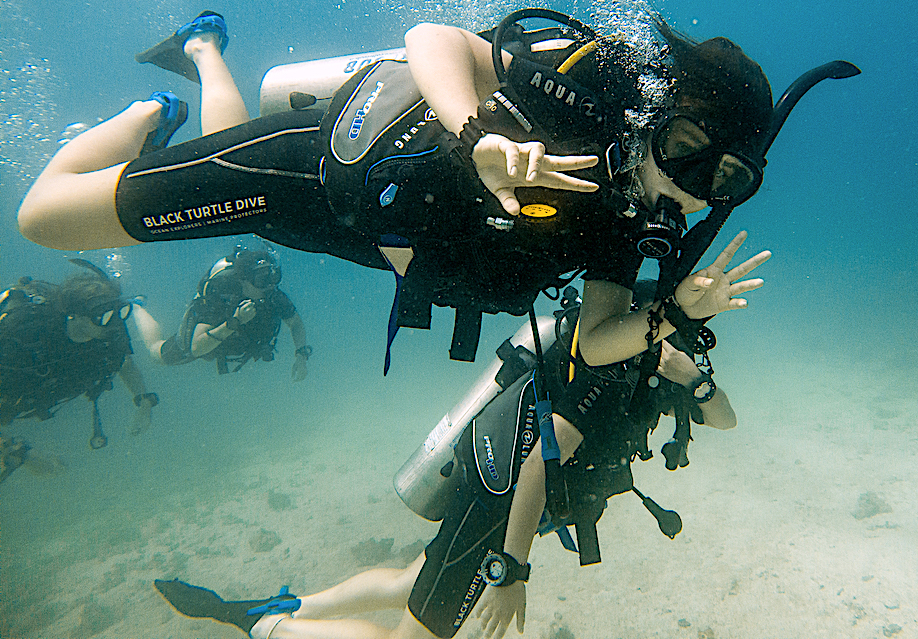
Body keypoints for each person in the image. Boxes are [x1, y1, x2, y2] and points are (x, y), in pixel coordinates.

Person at [17, 9, 852, 371]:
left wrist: (675, 312)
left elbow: (593, 339)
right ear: (656, 120)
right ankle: (147, 110)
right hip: (314, 164)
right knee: (43, 221)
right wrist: (479, 137)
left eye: (727, 179)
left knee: (212, 150)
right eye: (687, 152)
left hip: (355, 236)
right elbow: (434, 39)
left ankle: (202, 52)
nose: (692, 187)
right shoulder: (586, 94)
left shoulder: (632, 225)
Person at [154, 282, 743, 639]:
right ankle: (267, 625)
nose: (690, 340)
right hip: (499, 498)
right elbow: (540, 462)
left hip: (505, 496)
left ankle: (288, 606)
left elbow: (726, 420)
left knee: (415, 578)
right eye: (686, 323)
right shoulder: (615, 373)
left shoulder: (667, 366)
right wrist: (512, 571)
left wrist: (697, 385)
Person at [0, 261, 159, 449]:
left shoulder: (107, 331)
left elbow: (124, 362)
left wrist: (144, 402)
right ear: (75, 315)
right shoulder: (24, 339)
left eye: (120, 312)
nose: (115, 323)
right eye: (103, 316)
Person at [153, 245, 312, 380]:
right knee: (157, 354)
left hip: (237, 343)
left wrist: (301, 355)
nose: (270, 285)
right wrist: (235, 321)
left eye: (274, 277)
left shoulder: (272, 294)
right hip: (211, 340)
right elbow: (196, 348)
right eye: (262, 279)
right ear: (243, 279)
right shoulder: (220, 294)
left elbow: (295, 323)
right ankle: (137, 307)